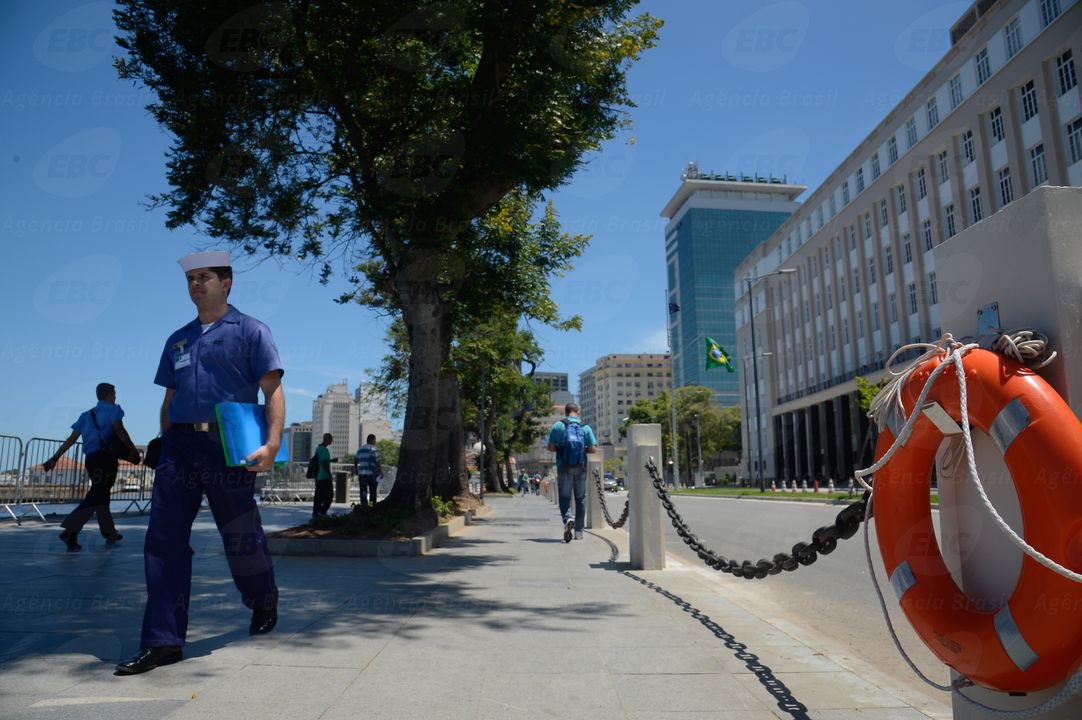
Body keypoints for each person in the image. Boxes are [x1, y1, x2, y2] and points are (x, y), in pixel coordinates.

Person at [116, 251, 284, 676]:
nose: (196, 284)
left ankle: (262, 597)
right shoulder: (178, 340)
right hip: (179, 447)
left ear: (226, 283)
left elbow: (273, 391)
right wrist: (165, 439)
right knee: (163, 540)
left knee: (240, 534)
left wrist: (271, 444)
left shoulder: (251, 331)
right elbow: (169, 399)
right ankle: (163, 640)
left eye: (204, 277)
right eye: (190, 278)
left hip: (229, 446)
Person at [42, 383, 140, 550]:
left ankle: (110, 533)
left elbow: (72, 439)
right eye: (114, 393)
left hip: (91, 460)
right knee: (96, 495)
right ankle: (70, 531)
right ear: (109, 394)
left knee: (101, 494)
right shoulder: (114, 410)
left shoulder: (86, 415)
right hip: (106, 460)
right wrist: (132, 450)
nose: (115, 397)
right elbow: (120, 431)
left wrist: (55, 458)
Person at [546, 402, 597, 542]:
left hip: (563, 466)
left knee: (564, 498)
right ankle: (579, 532)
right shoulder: (585, 427)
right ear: (578, 411)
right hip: (580, 467)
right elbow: (593, 449)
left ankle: (568, 518)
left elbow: (550, 447)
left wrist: (561, 449)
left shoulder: (558, 426)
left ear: (566, 412)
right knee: (580, 498)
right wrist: (581, 450)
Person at [354, 434, 382, 507]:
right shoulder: (374, 449)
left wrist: (355, 469)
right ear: (371, 440)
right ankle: (371, 506)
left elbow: (355, 459)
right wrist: (381, 471)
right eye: (374, 440)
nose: (375, 442)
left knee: (363, 491)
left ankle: (364, 506)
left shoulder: (360, 449)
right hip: (372, 473)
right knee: (372, 491)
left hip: (362, 473)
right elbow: (378, 461)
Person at [313, 433, 336, 516]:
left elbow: (322, 460)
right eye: (330, 440)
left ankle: (316, 513)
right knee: (329, 496)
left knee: (319, 497)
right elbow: (324, 462)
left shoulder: (318, 449)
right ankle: (322, 511)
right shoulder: (324, 450)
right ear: (327, 439)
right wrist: (329, 474)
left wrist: (331, 460)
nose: (331, 442)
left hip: (318, 476)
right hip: (324, 477)